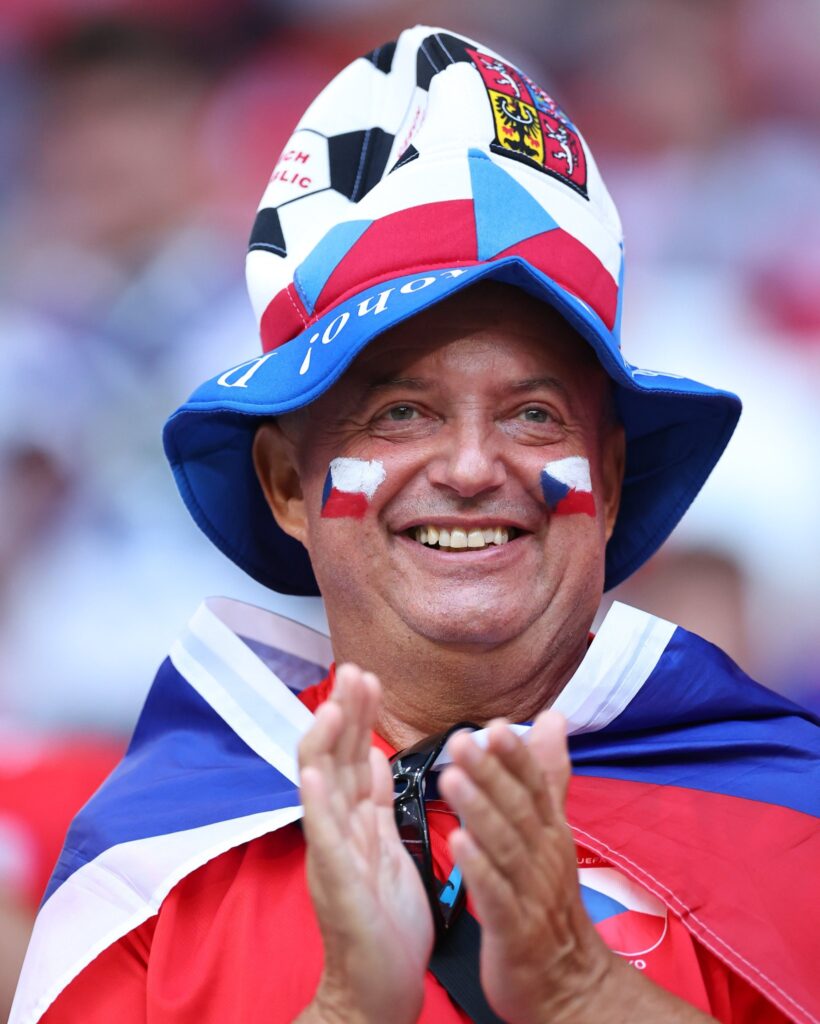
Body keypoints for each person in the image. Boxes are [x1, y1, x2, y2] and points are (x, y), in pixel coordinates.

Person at [11, 25, 818, 1024]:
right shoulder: (145, 874)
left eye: (533, 414)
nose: (475, 467)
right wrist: (351, 1007)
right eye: (400, 413)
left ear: (607, 478)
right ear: (285, 484)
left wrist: (580, 993)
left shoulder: (792, 821)